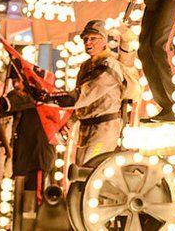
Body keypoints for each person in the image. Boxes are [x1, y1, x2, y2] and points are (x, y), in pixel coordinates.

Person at [37, 20, 126, 165]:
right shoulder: (86, 66)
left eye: (92, 38)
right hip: (86, 128)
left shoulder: (109, 64)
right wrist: (69, 123)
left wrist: (52, 99)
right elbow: (79, 104)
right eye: (85, 39)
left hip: (104, 128)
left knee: (91, 171)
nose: (88, 43)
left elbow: (83, 95)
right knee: (80, 171)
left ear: (104, 40)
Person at [0, 66, 56, 196]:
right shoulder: (16, 96)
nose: (16, 84)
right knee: (19, 198)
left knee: (34, 199)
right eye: (13, 80)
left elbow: (17, 102)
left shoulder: (39, 96)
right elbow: (2, 108)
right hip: (21, 159)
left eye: (19, 80)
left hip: (37, 159)